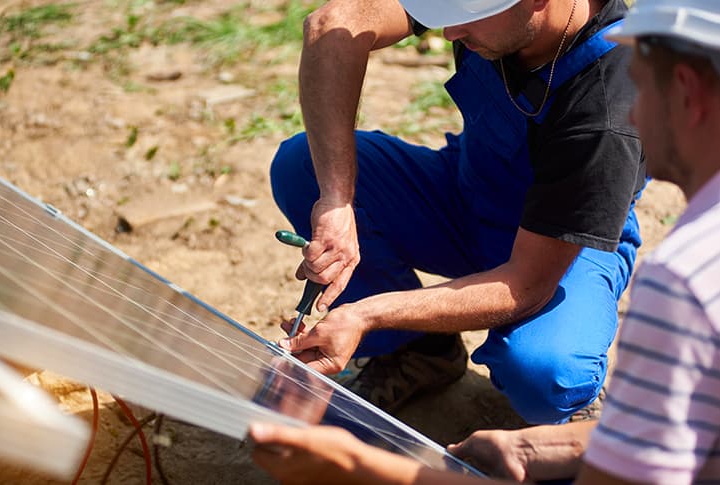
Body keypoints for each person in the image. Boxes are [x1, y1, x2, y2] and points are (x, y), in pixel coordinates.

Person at [253, 0, 720, 482]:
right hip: (467, 197)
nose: (450, 31)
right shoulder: (492, 17)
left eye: (466, 14)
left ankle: (572, 430)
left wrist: (364, 314)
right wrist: (336, 200)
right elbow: (336, 23)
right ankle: (418, 354)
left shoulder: (606, 109)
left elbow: (526, 284)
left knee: (546, 371)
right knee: (301, 166)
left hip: (562, 253)